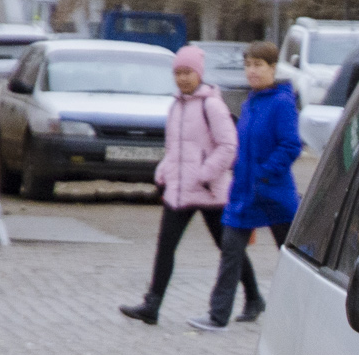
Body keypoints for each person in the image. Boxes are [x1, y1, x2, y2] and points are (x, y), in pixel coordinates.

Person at [119, 45, 236, 325]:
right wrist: (163, 172)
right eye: (178, 73)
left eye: (188, 73)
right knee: (165, 246)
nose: (183, 78)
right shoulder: (175, 106)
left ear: (199, 74)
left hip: (209, 191)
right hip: (179, 192)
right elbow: (173, 150)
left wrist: (206, 173)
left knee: (228, 248)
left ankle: (254, 295)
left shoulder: (213, 105)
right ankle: (152, 305)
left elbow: (229, 146)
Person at [188, 40, 299, 332]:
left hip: (274, 194)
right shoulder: (250, 102)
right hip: (244, 193)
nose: (252, 71)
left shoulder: (282, 102)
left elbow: (290, 145)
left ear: (273, 68)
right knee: (230, 251)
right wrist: (236, 169)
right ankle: (218, 315)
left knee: (293, 260)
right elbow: (241, 144)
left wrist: (265, 172)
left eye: (258, 65)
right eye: (248, 65)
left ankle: (301, 317)